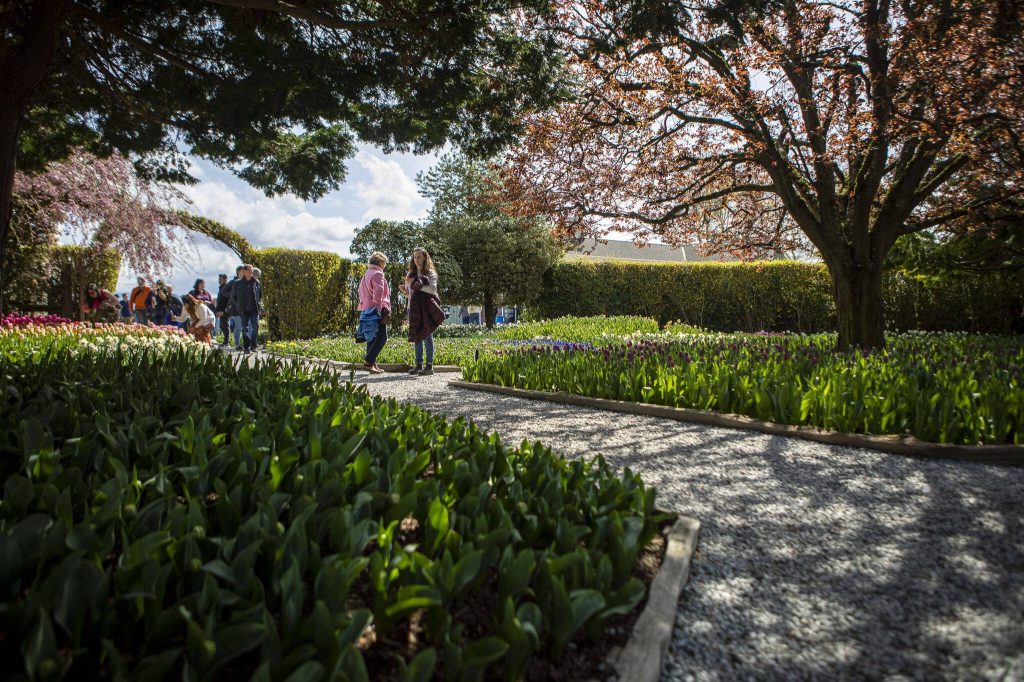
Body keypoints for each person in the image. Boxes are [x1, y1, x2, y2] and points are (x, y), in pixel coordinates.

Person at [402, 247, 444, 376]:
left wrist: (415, 283)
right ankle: (418, 365)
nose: (416, 260)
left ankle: (429, 366)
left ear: (425, 258)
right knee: (417, 337)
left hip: (426, 309)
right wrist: (405, 292)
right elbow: (411, 294)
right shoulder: (411, 274)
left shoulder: (430, 273)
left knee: (427, 337)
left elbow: (432, 290)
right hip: (413, 309)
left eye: (419, 257)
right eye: (414, 257)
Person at [357, 251, 391, 373]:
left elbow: (360, 291)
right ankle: (368, 362)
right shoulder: (378, 274)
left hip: (366, 308)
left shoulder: (366, 274)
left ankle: (372, 364)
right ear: (381, 262)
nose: (384, 265)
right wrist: (378, 307)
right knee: (382, 337)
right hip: (377, 308)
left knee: (372, 337)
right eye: (384, 263)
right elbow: (379, 292)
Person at [232, 264, 262, 353]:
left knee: (255, 327)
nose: (251, 272)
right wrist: (238, 306)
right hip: (243, 309)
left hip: (254, 309)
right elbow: (233, 297)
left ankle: (253, 345)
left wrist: (259, 305)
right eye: (249, 270)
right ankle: (246, 346)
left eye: (252, 270)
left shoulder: (257, 282)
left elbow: (260, 296)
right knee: (245, 328)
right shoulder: (237, 283)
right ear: (244, 271)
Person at [214, 273, 232, 346]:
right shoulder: (221, 288)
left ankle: (226, 342)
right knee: (222, 325)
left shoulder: (227, 288)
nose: (219, 281)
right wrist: (218, 310)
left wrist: (223, 311)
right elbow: (219, 300)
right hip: (220, 310)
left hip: (225, 310)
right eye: (219, 279)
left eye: (220, 279)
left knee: (225, 325)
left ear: (225, 279)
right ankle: (225, 341)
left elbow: (227, 300)